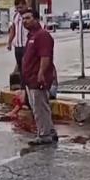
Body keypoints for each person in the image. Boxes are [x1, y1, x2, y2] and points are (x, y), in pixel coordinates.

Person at [21, 10, 57, 145]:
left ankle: (44, 134)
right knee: (41, 106)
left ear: (36, 19)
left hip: (38, 78)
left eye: (28, 18)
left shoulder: (42, 36)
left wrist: (41, 73)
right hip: (30, 79)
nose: (25, 21)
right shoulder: (31, 36)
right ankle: (50, 131)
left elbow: (45, 56)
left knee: (39, 107)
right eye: (23, 18)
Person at [7, 0, 30, 74]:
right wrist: (9, 43)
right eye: (17, 8)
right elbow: (13, 30)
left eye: (21, 7)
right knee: (20, 66)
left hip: (27, 45)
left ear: (26, 5)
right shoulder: (15, 16)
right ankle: (22, 84)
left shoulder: (30, 15)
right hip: (18, 47)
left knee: (28, 66)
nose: (19, 10)